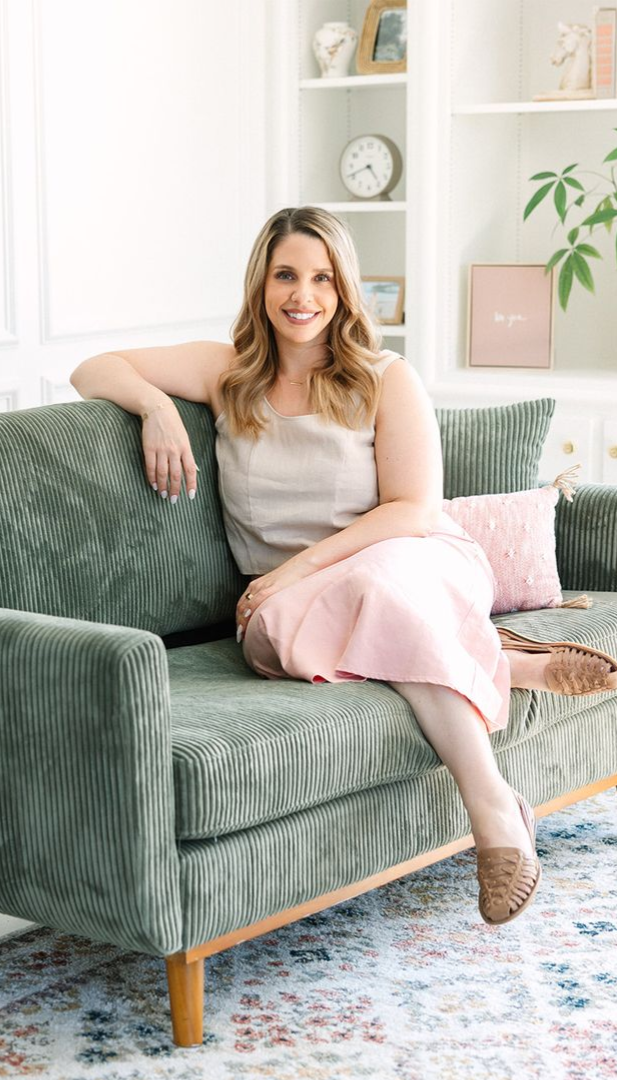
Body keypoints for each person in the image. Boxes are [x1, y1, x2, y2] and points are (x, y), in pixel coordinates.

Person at [70, 206, 617, 927]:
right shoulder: (226, 373)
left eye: (322, 278)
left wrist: (295, 569)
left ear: (344, 288)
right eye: (285, 275)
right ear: (261, 284)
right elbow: (91, 369)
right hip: (291, 610)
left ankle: (491, 808)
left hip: (406, 560)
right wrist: (155, 408)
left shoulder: (384, 378)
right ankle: (496, 659)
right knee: (364, 609)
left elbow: (412, 508)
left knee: (379, 586)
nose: (303, 295)